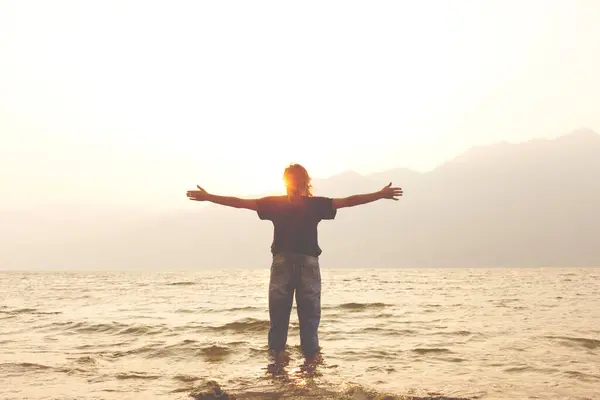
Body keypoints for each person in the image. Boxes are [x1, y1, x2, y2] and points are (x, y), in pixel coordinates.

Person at [186, 163, 403, 360]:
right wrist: (379, 194)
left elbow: (240, 203)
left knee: (278, 324)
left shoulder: (275, 204)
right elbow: (348, 201)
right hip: (308, 265)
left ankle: (277, 374)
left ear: (286, 182)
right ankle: (311, 375)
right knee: (309, 324)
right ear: (305, 182)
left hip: (282, 265)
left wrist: (209, 197)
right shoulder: (315, 204)